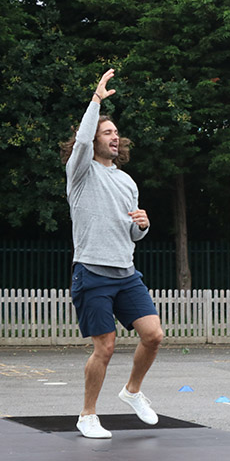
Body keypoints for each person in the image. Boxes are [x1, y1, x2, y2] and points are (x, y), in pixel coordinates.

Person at [60, 69, 164, 439]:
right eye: (108, 132)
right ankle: (87, 415)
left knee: (153, 335)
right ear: (93, 140)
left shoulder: (126, 180)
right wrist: (96, 101)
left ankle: (132, 391)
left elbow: (132, 235)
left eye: (116, 132)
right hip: (92, 271)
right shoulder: (80, 171)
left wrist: (142, 224)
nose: (115, 136)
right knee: (104, 347)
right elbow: (83, 140)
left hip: (126, 271)